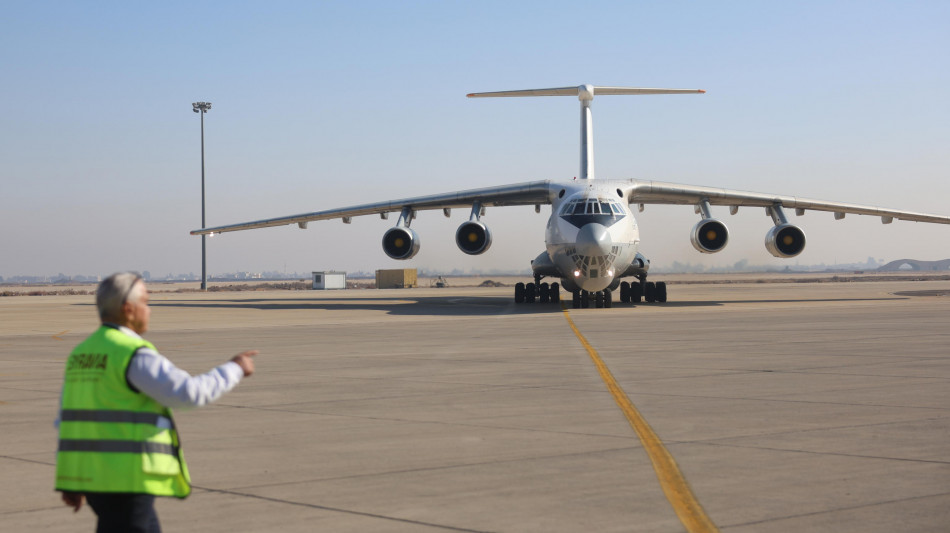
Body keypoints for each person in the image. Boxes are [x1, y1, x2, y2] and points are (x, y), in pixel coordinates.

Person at [55, 272, 258, 532]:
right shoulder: (131, 354)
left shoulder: (81, 354)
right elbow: (188, 393)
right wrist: (235, 368)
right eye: (146, 302)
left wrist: (71, 480)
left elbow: (67, 422)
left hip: (95, 481)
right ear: (128, 309)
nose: (149, 310)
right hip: (127, 481)